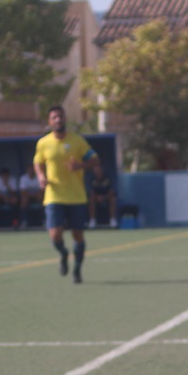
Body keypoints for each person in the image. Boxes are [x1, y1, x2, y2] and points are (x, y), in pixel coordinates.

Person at [34, 105, 99, 284]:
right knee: (55, 235)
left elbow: (94, 159)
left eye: (60, 117)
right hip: (54, 196)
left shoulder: (78, 141)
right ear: (49, 121)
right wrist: (41, 177)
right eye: (54, 117)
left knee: (78, 236)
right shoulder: (43, 143)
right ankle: (63, 254)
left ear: (65, 119)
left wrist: (81, 165)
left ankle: (77, 270)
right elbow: (38, 162)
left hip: (76, 196)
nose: (58, 120)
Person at [87, 163, 117, 228]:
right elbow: (91, 192)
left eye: (99, 170)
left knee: (113, 199)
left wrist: (104, 197)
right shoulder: (92, 179)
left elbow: (111, 192)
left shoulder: (108, 178)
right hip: (96, 198)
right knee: (91, 199)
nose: (97, 172)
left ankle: (112, 220)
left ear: (102, 170)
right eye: (96, 170)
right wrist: (97, 197)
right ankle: (92, 220)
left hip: (106, 197)